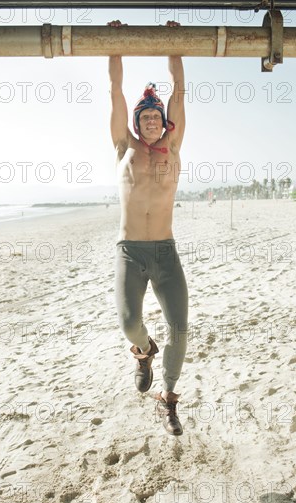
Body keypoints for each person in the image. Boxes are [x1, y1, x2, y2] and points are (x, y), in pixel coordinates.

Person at [108, 20, 188, 436]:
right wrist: (116, 45)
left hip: (165, 251)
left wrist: (174, 45)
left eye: (158, 116)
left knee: (180, 330)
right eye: (147, 117)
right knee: (128, 322)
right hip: (129, 251)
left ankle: (169, 397)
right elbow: (116, 92)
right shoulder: (124, 147)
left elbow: (179, 87)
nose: (154, 121)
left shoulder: (172, 149)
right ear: (138, 122)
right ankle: (143, 352)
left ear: (164, 121)